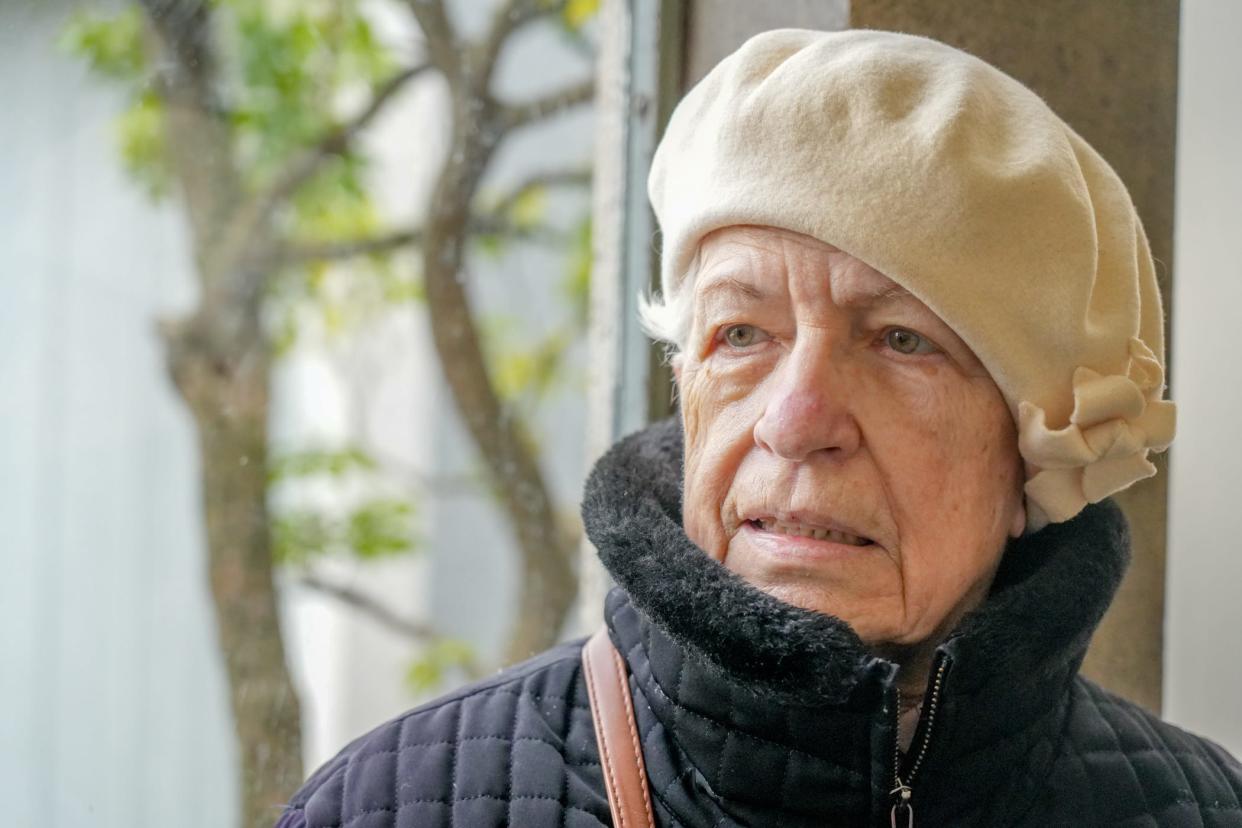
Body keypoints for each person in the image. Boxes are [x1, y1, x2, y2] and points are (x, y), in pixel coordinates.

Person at [275, 28, 1242, 827]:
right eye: (742, 333)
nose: (795, 420)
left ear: (1033, 451)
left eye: (902, 341)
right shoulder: (388, 807)